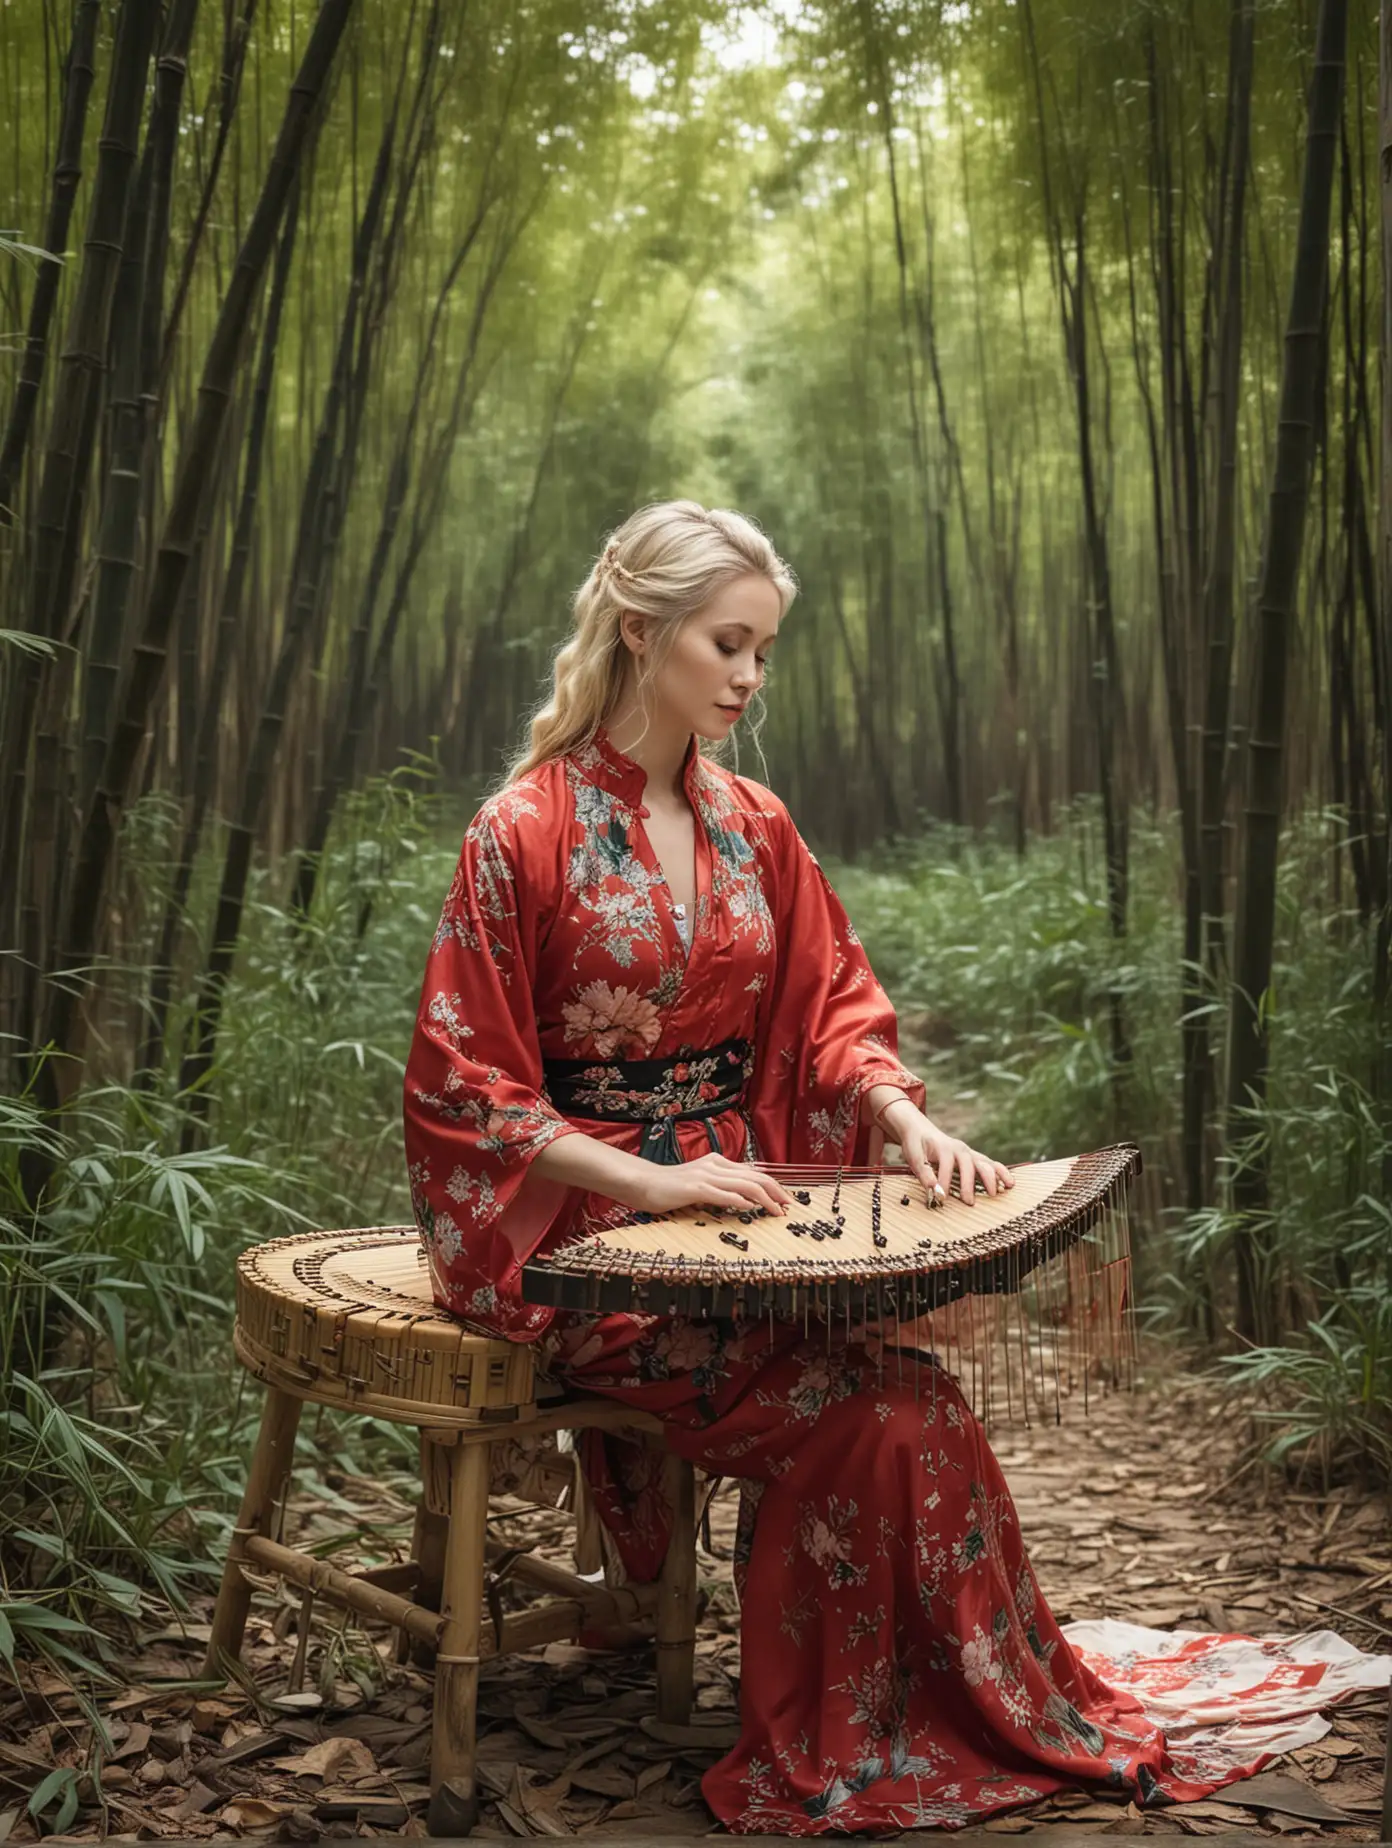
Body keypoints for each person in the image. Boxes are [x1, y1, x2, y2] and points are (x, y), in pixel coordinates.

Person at [401, 502, 1251, 1832]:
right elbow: (468, 1089)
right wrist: (646, 1185)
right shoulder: (520, 836)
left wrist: (898, 1113)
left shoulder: (756, 825)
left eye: (765, 651)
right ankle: (847, 1731)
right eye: (729, 643)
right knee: (876, 1420)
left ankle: (938, 1712)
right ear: (642, 633)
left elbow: (828, 1008)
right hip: (595, 1248)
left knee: (917, 1404)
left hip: (747, 1222)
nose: (750, 675)